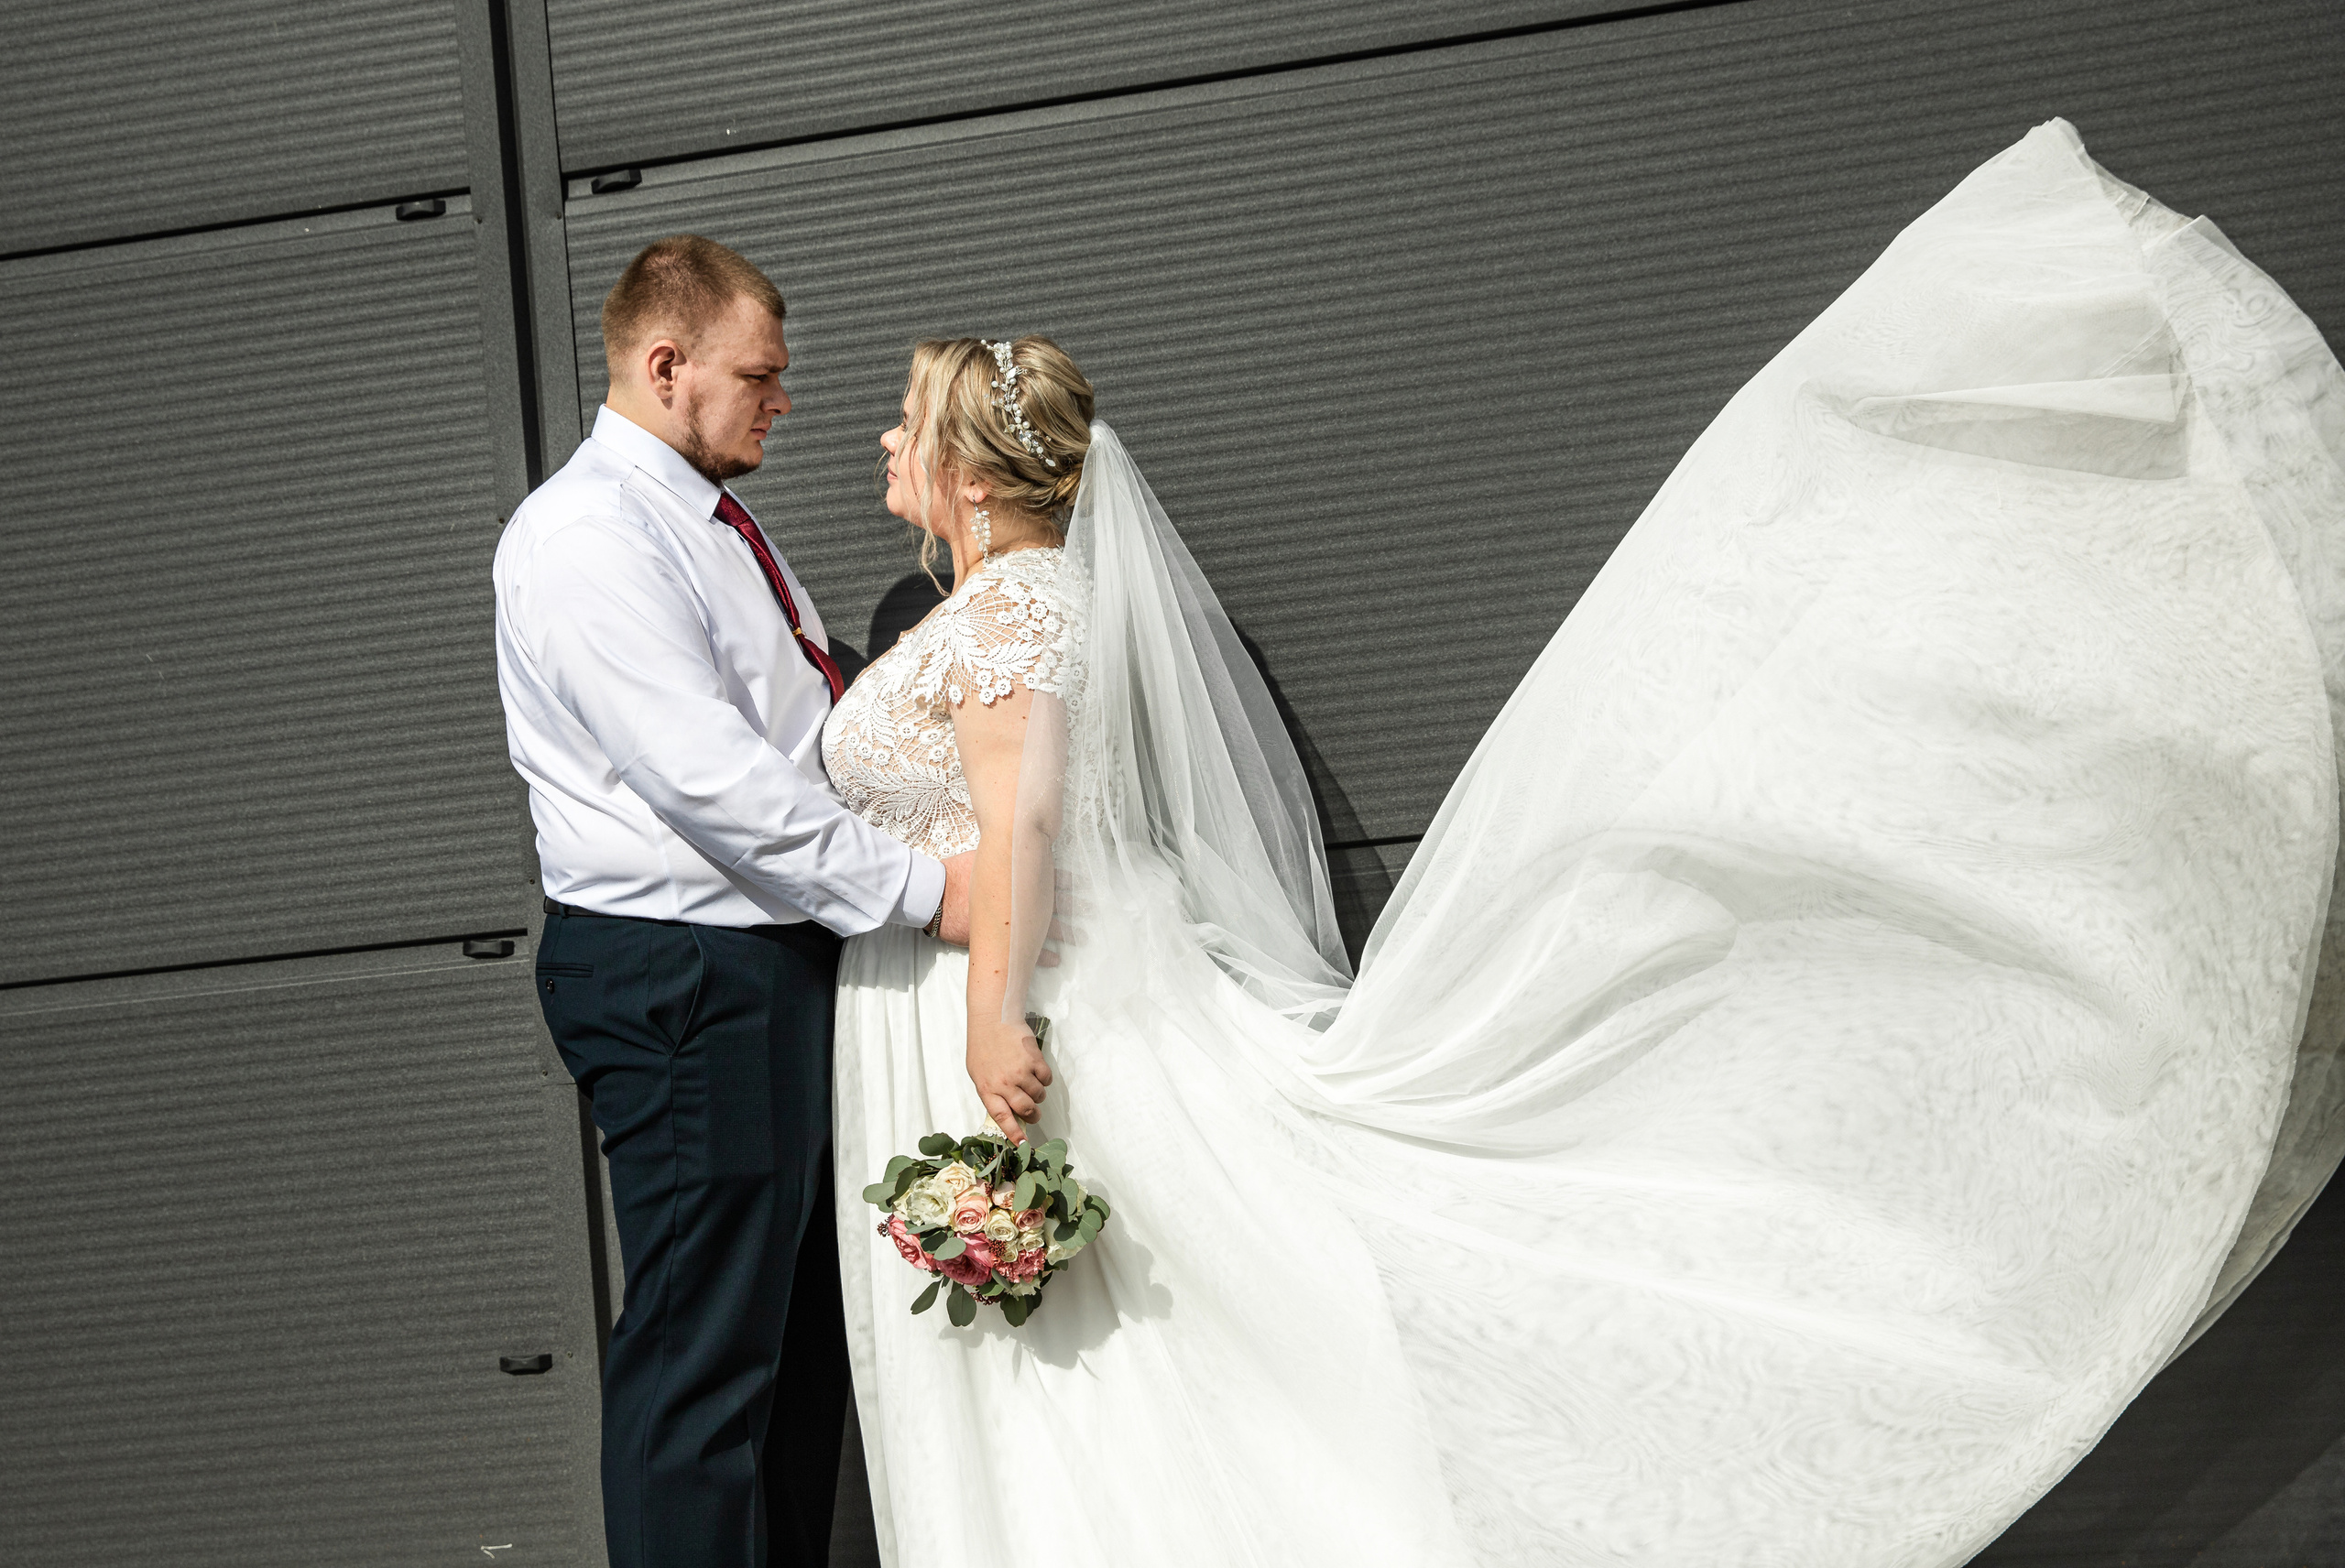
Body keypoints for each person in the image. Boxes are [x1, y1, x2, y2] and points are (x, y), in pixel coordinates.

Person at [821, 121, 2345, 1567]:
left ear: (967, 471)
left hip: (1045, 1005)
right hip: (1055, 990)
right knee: (1119, 1359)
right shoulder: (1003, 609)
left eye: (905, 421)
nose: (882, 442)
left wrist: (989, 1011)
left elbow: (1024, 815)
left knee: (1139, 1365)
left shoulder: (1014, 605)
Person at [492, 234, 973, 1568]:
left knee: (793, 1354)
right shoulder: (588, 538)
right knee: (705, 1361)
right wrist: (931, 894)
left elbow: (801, 731)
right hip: (683, 980)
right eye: (758, 373)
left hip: (760, 966)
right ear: (665, 364)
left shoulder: (708, 521)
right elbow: (714, 783)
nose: (784, 398)